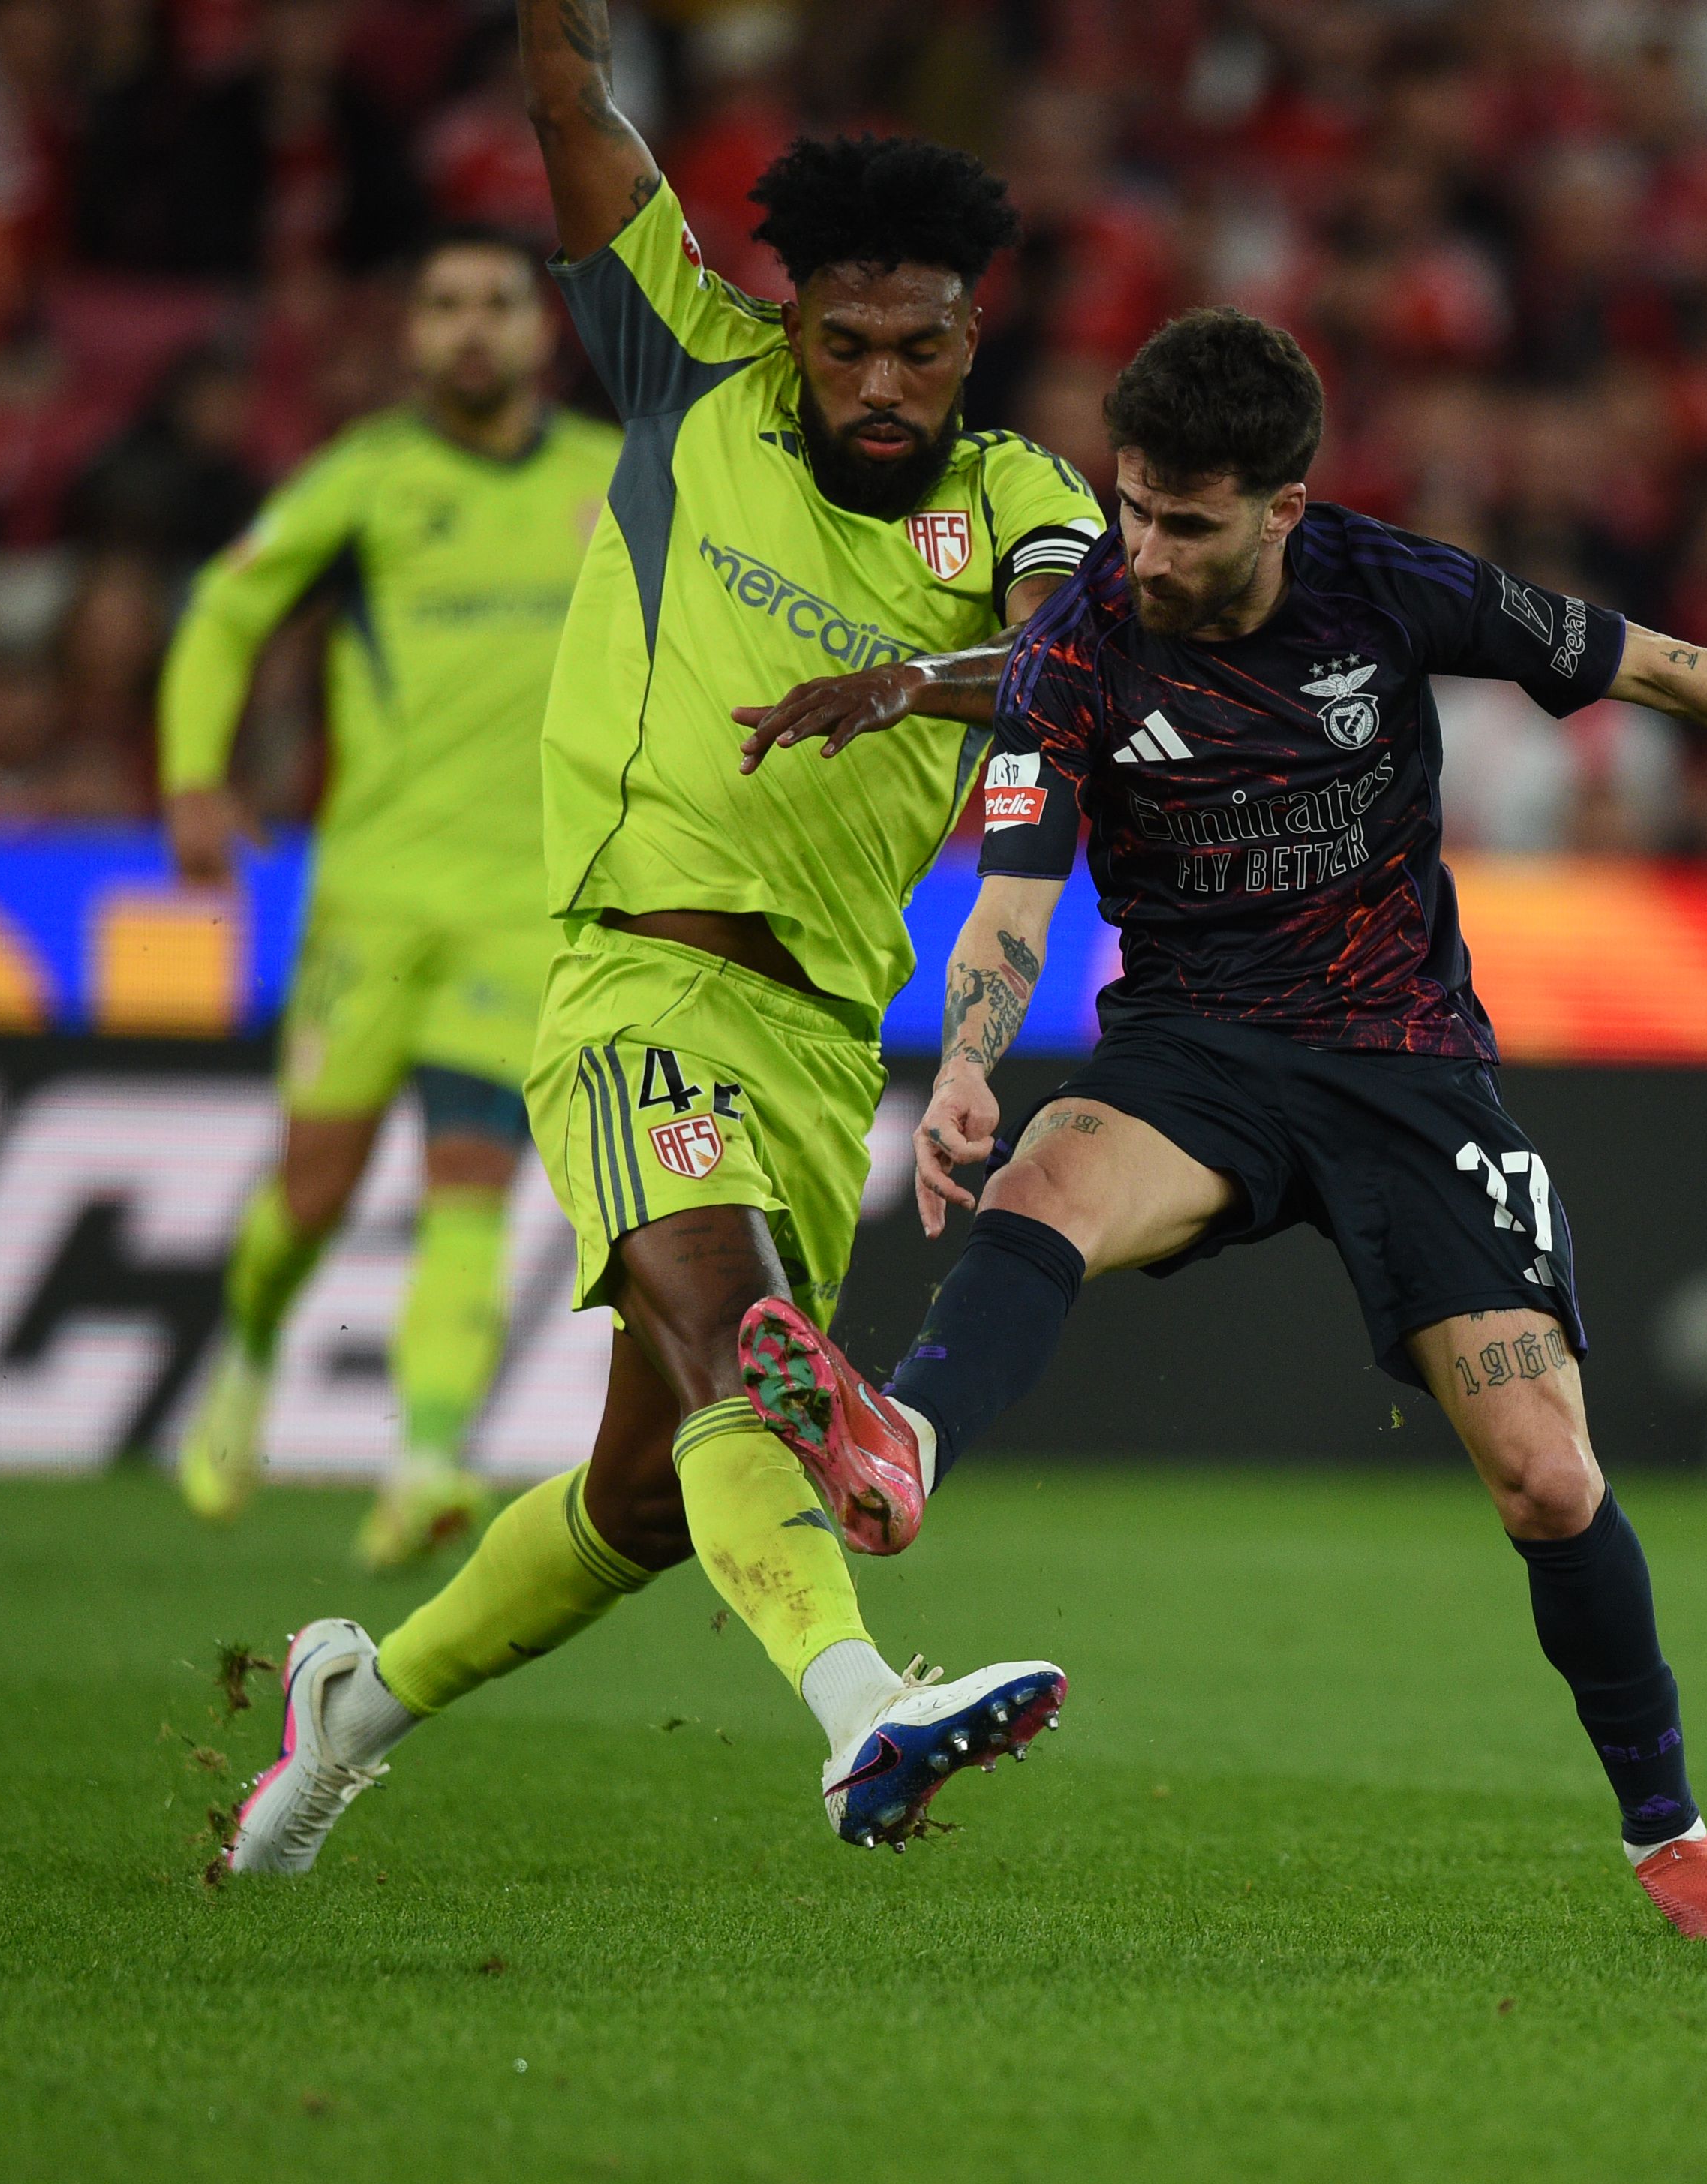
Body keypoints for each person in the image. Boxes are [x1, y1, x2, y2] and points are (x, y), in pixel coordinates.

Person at [821, 309, 1707, 1939]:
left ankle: (1669, 1832)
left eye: (1187, 523)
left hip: (1407, 1071)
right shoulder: (1077, 648)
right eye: (1130, 508)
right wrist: (971, 1063)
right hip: (1195, 1052)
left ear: (1283, 507)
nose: (1144, 551)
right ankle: (906, 1444)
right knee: (1049, 1175)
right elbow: (1011, 900)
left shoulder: (1385, 585)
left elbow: (1665, 667)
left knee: (1550, 1481)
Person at [218, 0, 1105, 1876]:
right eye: (844, 342)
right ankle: (863, 1715)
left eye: (920, 347)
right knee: (739, 1338)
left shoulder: (1020, 494)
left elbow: (1069, 654)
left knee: (646, 1487)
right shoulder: (688, 370)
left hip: (818, 1047)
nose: (880, 381)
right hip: (638, 976)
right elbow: (571, 98)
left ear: (973, 338)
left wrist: (911, 681)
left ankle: (344, 1712)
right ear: (790, 325)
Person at [162, 229, 620, 1571]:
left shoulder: (615, 482)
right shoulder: (364, 480)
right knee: (314, 1188)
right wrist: (193, 778)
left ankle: (426, 1460)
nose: (472, 326)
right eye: (444, 304)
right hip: (373, 895)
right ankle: (249, 1352)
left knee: (471, 1174)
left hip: (530, 900)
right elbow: (223, 610)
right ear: (412, 334)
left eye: (497, 303)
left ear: (540, 331)